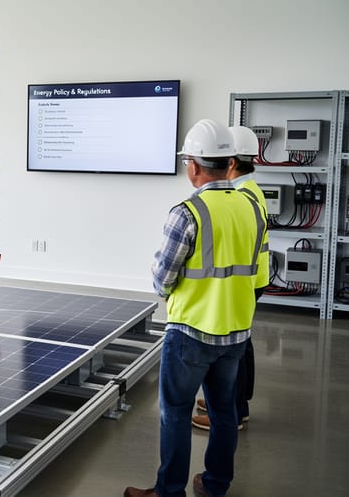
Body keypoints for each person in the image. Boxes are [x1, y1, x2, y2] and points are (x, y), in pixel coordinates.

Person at [125, 119, 267, 497]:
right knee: (224, 412)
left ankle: (169, 491)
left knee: (175, 413)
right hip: (236, 331)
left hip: (190, 333)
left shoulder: (187, 212)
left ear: (193, 165)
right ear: (229, 162)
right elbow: (257, 274)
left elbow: (162, 280)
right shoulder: (253, 208)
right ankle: (216, 484)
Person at [192, 125, 268, 432]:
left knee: (233, 350)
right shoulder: (252, 191)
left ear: (232, 162)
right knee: (240, 345)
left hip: (242, 281)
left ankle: (231, 409)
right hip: (252, 277)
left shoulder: (241, 194)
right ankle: (235, 406)